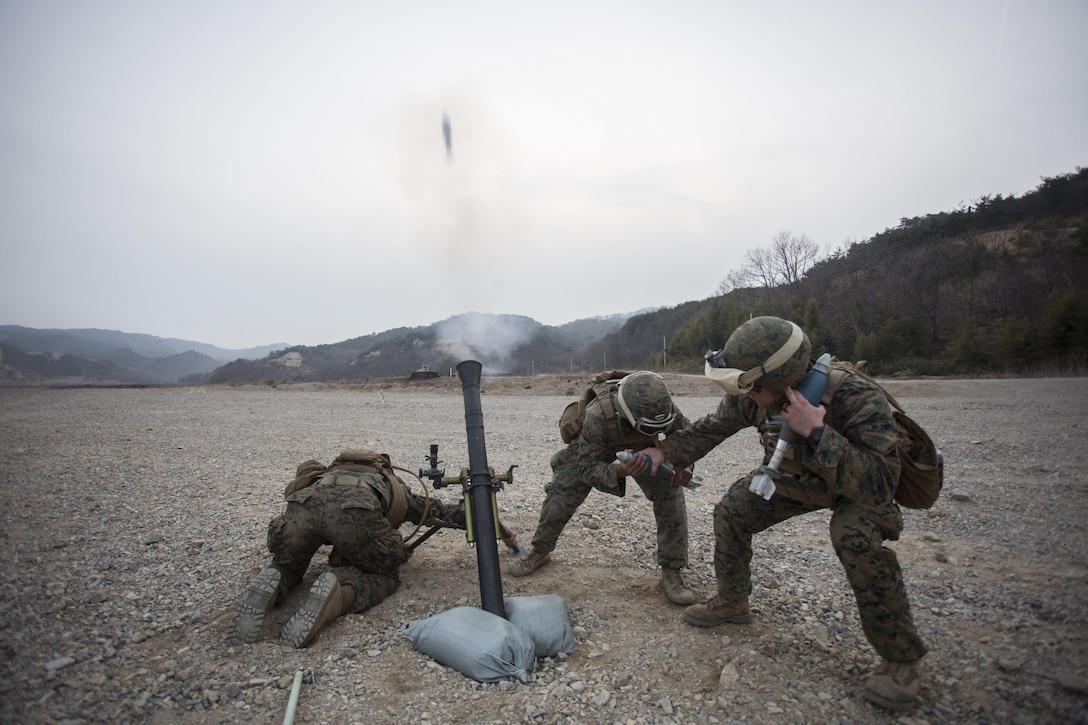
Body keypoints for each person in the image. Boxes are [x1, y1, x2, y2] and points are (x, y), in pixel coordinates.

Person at [639, 316, 927, 712]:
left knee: (854, 539)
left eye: (753, 387)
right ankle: (733, 603)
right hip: (795, 479)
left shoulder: (856, 396)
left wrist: (817, 432)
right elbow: (710, 429)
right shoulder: (756, 392)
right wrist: (662, 453)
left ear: (780, 378)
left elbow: (880, 483)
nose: (747, 394)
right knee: (732, 511)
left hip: (855, 487)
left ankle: (901, 661)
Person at [230, 448, 464, 648]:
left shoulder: (323, 475)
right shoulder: (388, 480)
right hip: (354, 516)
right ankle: (339, 598)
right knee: (385, 576)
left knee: (287, 565)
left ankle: (276, 580)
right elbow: (432, 511)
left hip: (303, 506)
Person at [508, 370, 698, 605]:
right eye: (646, 427)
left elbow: (687, 438)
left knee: (671, 494)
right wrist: (620, 471)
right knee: (561, 493)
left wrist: (685, 466)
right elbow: (586, 467)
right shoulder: (597, 415)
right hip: (595, 447)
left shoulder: (663, 408)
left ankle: (672, 572)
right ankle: (539, 552)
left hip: (647, 450)